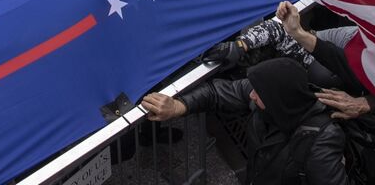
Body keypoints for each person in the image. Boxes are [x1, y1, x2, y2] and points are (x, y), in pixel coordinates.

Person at [141, 56, 349, 185]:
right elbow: (216, 92)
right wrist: (179, 106)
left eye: (258, 93)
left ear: (277, 101)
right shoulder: (265, 93)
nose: (251, 95)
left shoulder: (320, 143)